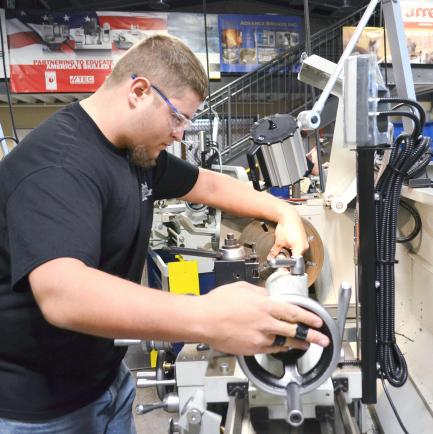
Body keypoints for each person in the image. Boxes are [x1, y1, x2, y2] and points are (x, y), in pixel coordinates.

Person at [0, 35, 330, 434]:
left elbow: (207, 185)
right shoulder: (59, 164)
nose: (180, 134)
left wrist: (281, 212)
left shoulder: (132, 150)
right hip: (39, 412)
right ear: (139, 91)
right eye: (178, 117)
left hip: (106, 384)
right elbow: (63, 295)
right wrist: (208, 316)